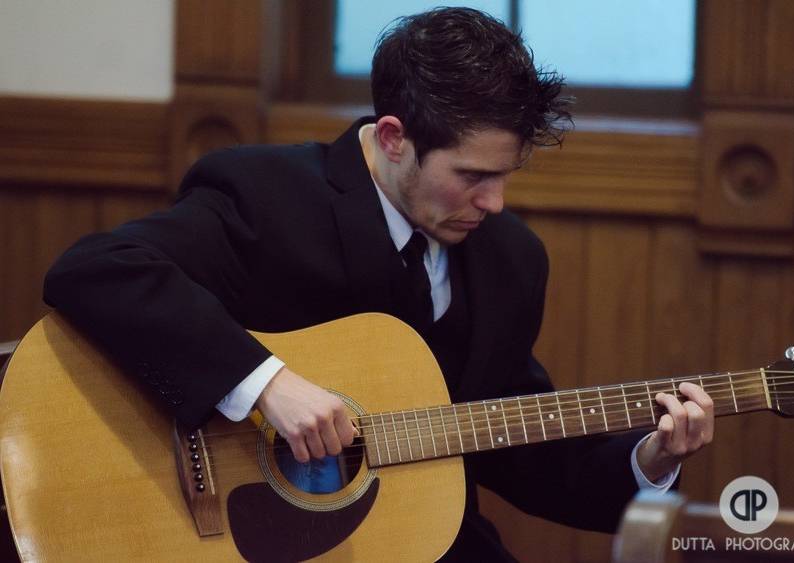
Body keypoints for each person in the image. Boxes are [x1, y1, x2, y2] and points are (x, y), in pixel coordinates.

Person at [44, 7, 714, 561]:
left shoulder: (512, 260)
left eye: (507, 175)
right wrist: (267, 383)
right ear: (394, 137)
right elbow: (96, 270)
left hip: (421, 541)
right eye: (472, 175)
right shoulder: (264, 194)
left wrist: (650, 457)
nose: (495, 202)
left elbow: (522, 455)